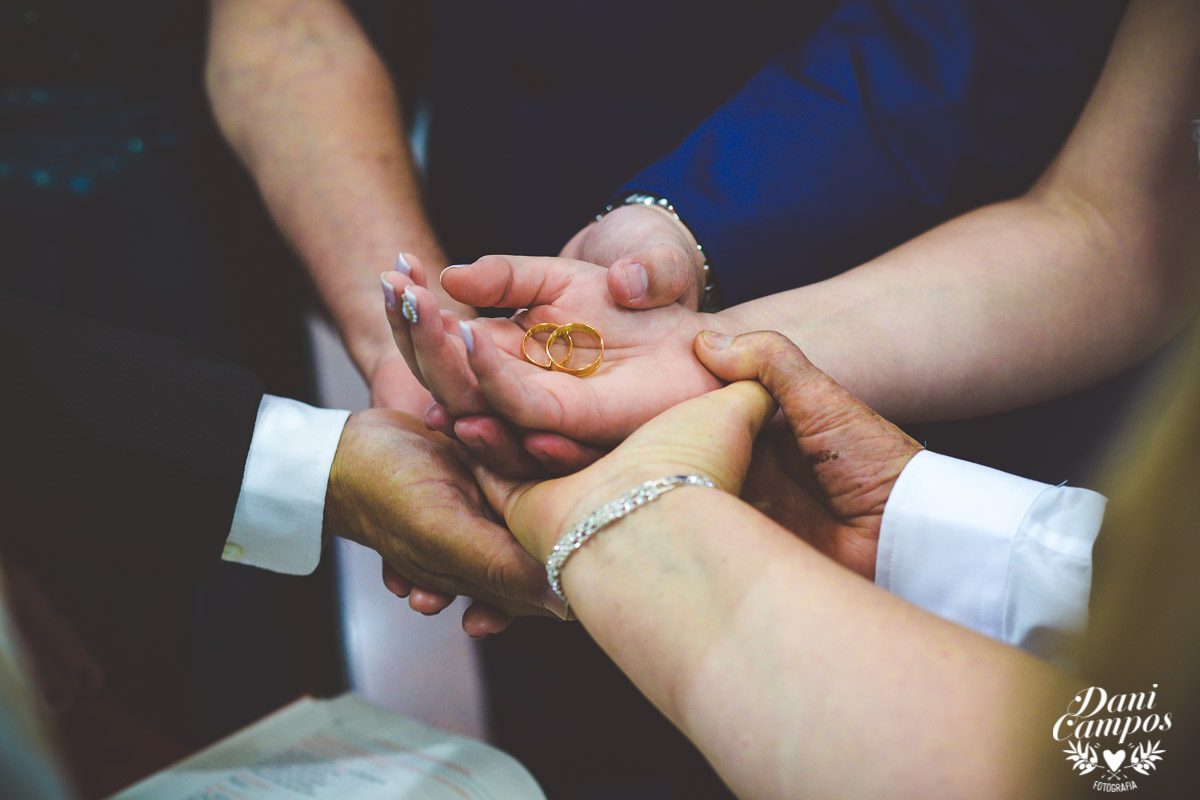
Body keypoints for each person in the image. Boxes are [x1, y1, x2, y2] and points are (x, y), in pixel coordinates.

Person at [0, 294, 557, 709]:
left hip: (220, 282)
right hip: (55, 414)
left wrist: (412, 340)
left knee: (288, 675)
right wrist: (319, 464)